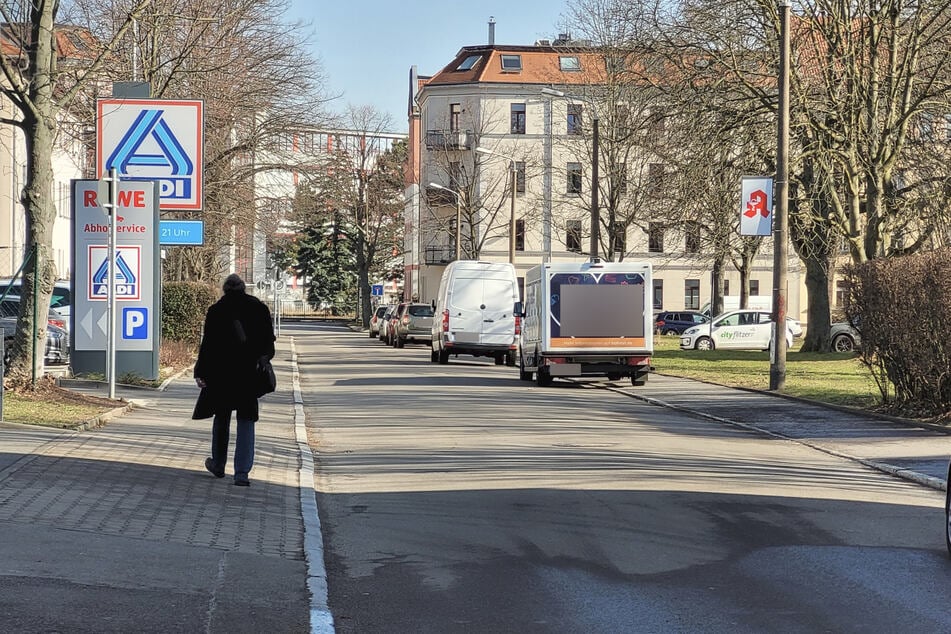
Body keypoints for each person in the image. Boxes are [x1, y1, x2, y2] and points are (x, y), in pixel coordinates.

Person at [192, 273, 276, 486]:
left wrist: (200, 372)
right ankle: (242, 473)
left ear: (225, 289)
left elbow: (208, 346)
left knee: (221, 418)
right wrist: (263, 359)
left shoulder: (216, 311)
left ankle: (218, 464)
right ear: (243, 288)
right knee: (247, 421)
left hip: (221, 375)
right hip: (249, 375)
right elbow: (268, 344)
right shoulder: (259, 308)